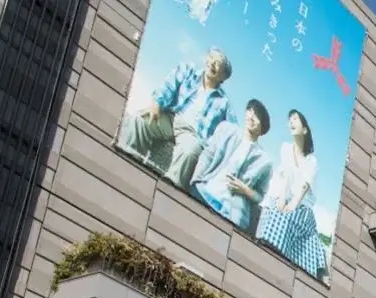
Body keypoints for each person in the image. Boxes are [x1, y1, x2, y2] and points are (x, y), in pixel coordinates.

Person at [120, 48, 234, 187]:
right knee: (141, 120)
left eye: (218, 64)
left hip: (193, 135)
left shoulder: (224, 103)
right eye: (211, 59)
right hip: (170, 118)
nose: (212, 64)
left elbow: (231, 134)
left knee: (190, 152)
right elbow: (168, 86)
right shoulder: (188, 70)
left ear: (223, 77)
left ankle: (168, 188)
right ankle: (128, 160)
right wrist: (156, 103)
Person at [255, 110, 327, 280]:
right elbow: (286, 175)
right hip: (282, 197)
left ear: (305, 130)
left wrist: (293, 204)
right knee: (277, 213)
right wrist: (282, 199)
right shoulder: (286, 148)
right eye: (290, 120)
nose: (291, 122)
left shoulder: (312, 161)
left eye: (295, 119)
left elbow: (304, 186)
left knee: (292, 218)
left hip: (301, 206)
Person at [189, 99, 274, 234]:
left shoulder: (265, 162)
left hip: (230, 213)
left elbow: (260, 196)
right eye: (249, 111)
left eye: (256, 115)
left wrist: (245, 190)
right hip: (204, 192)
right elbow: (208, 155)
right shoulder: (226, 129)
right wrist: (196, 180)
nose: (251, 116)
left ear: (263, 127)